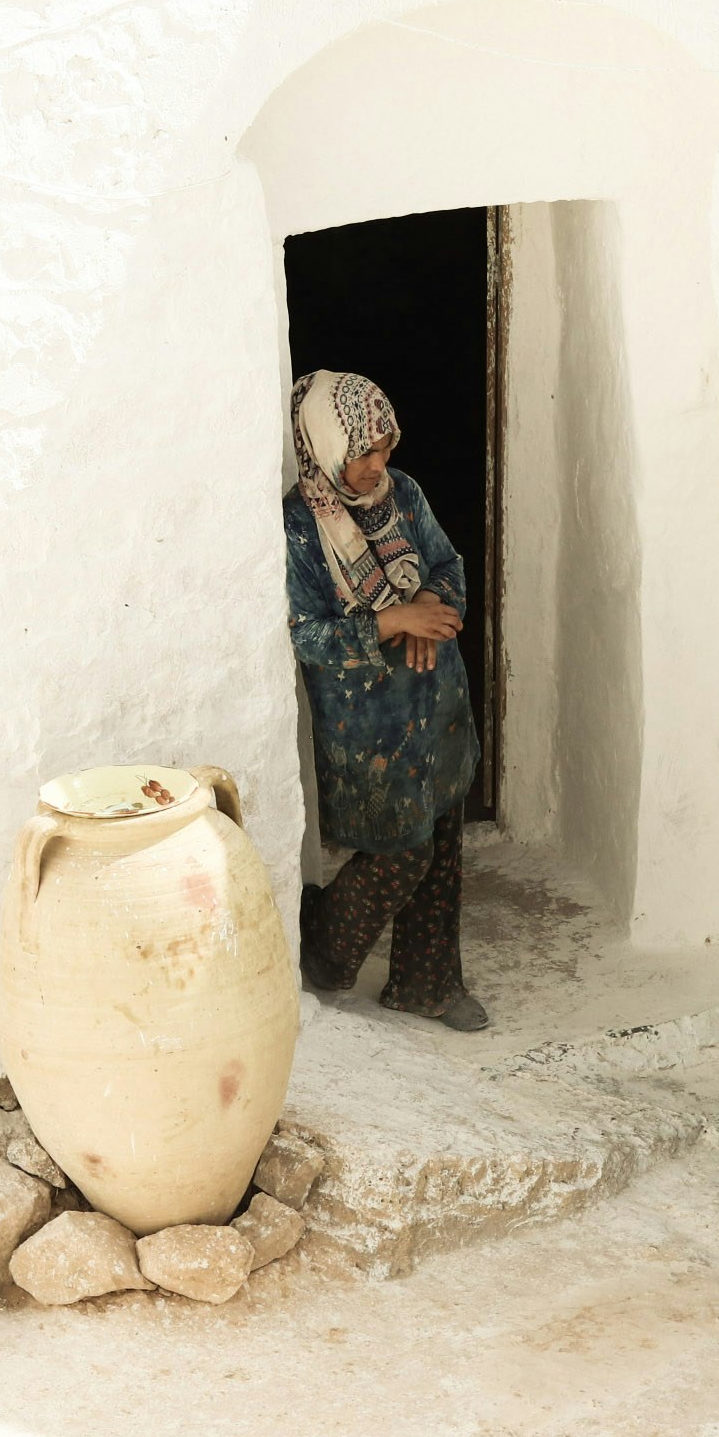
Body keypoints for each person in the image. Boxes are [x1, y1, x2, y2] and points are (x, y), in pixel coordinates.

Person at [285, 370, 487, 1032]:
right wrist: (394, 623)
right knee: (402, 852)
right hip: (368, 726)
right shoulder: (299, 526)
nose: (379, 466)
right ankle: (326, 948)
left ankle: (426, 984)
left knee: (443, 843)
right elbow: (306, 634)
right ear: (325, 443)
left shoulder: (406, 496)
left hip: (439, 706)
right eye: (365, 452)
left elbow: (448, 566)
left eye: (386, 450)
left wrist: (431, 602)